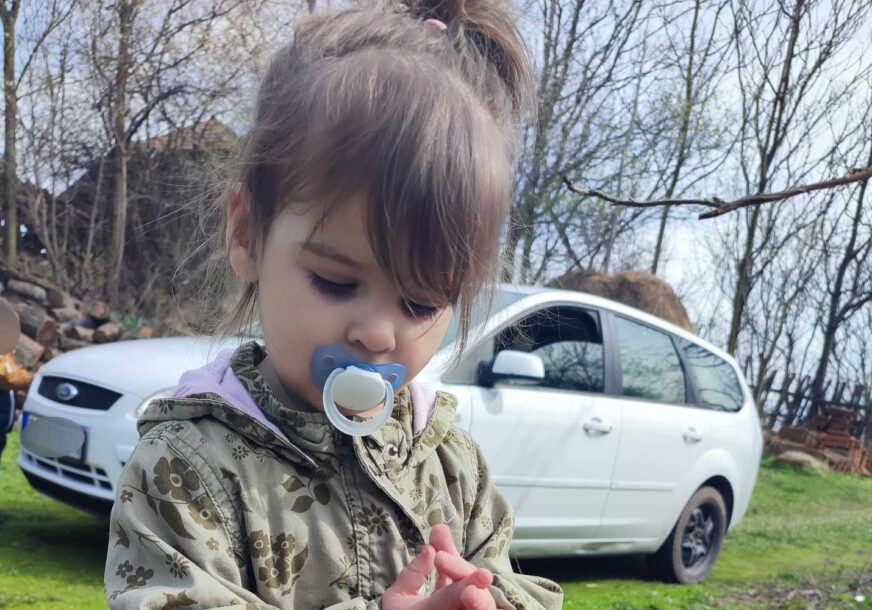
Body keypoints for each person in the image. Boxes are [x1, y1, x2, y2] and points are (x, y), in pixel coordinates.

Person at [104, 1, 563, 608]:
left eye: (421, 302)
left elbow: (512, 580)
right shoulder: (187, 465)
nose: (377, 334)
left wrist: (487, 599)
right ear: (247, 233)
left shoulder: (451, 464)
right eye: (335, 282)